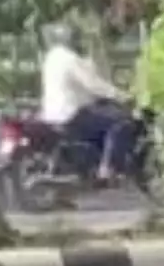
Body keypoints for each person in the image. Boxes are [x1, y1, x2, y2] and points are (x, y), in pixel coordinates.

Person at [39, 22, 134, 183]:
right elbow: (92, 84)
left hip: (51, 114)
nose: (78, 42)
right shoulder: (70, 59)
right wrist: (120, 95)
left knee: (99, 117)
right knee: (121, 121)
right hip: (71, 113)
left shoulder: (51, 57)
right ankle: (107, 168)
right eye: (76, 39)